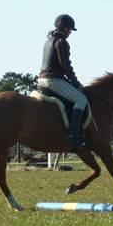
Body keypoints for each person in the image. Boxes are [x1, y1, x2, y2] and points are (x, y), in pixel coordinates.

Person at [38, 14, 88, 149]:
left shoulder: (49, 40)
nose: (70, 32)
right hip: (52, 80)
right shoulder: (61, 42)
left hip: (41, 80)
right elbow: (66, 65)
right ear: (65, 28)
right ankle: (73, 135)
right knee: (81, 99)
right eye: (70, 29)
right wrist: (76, 83)